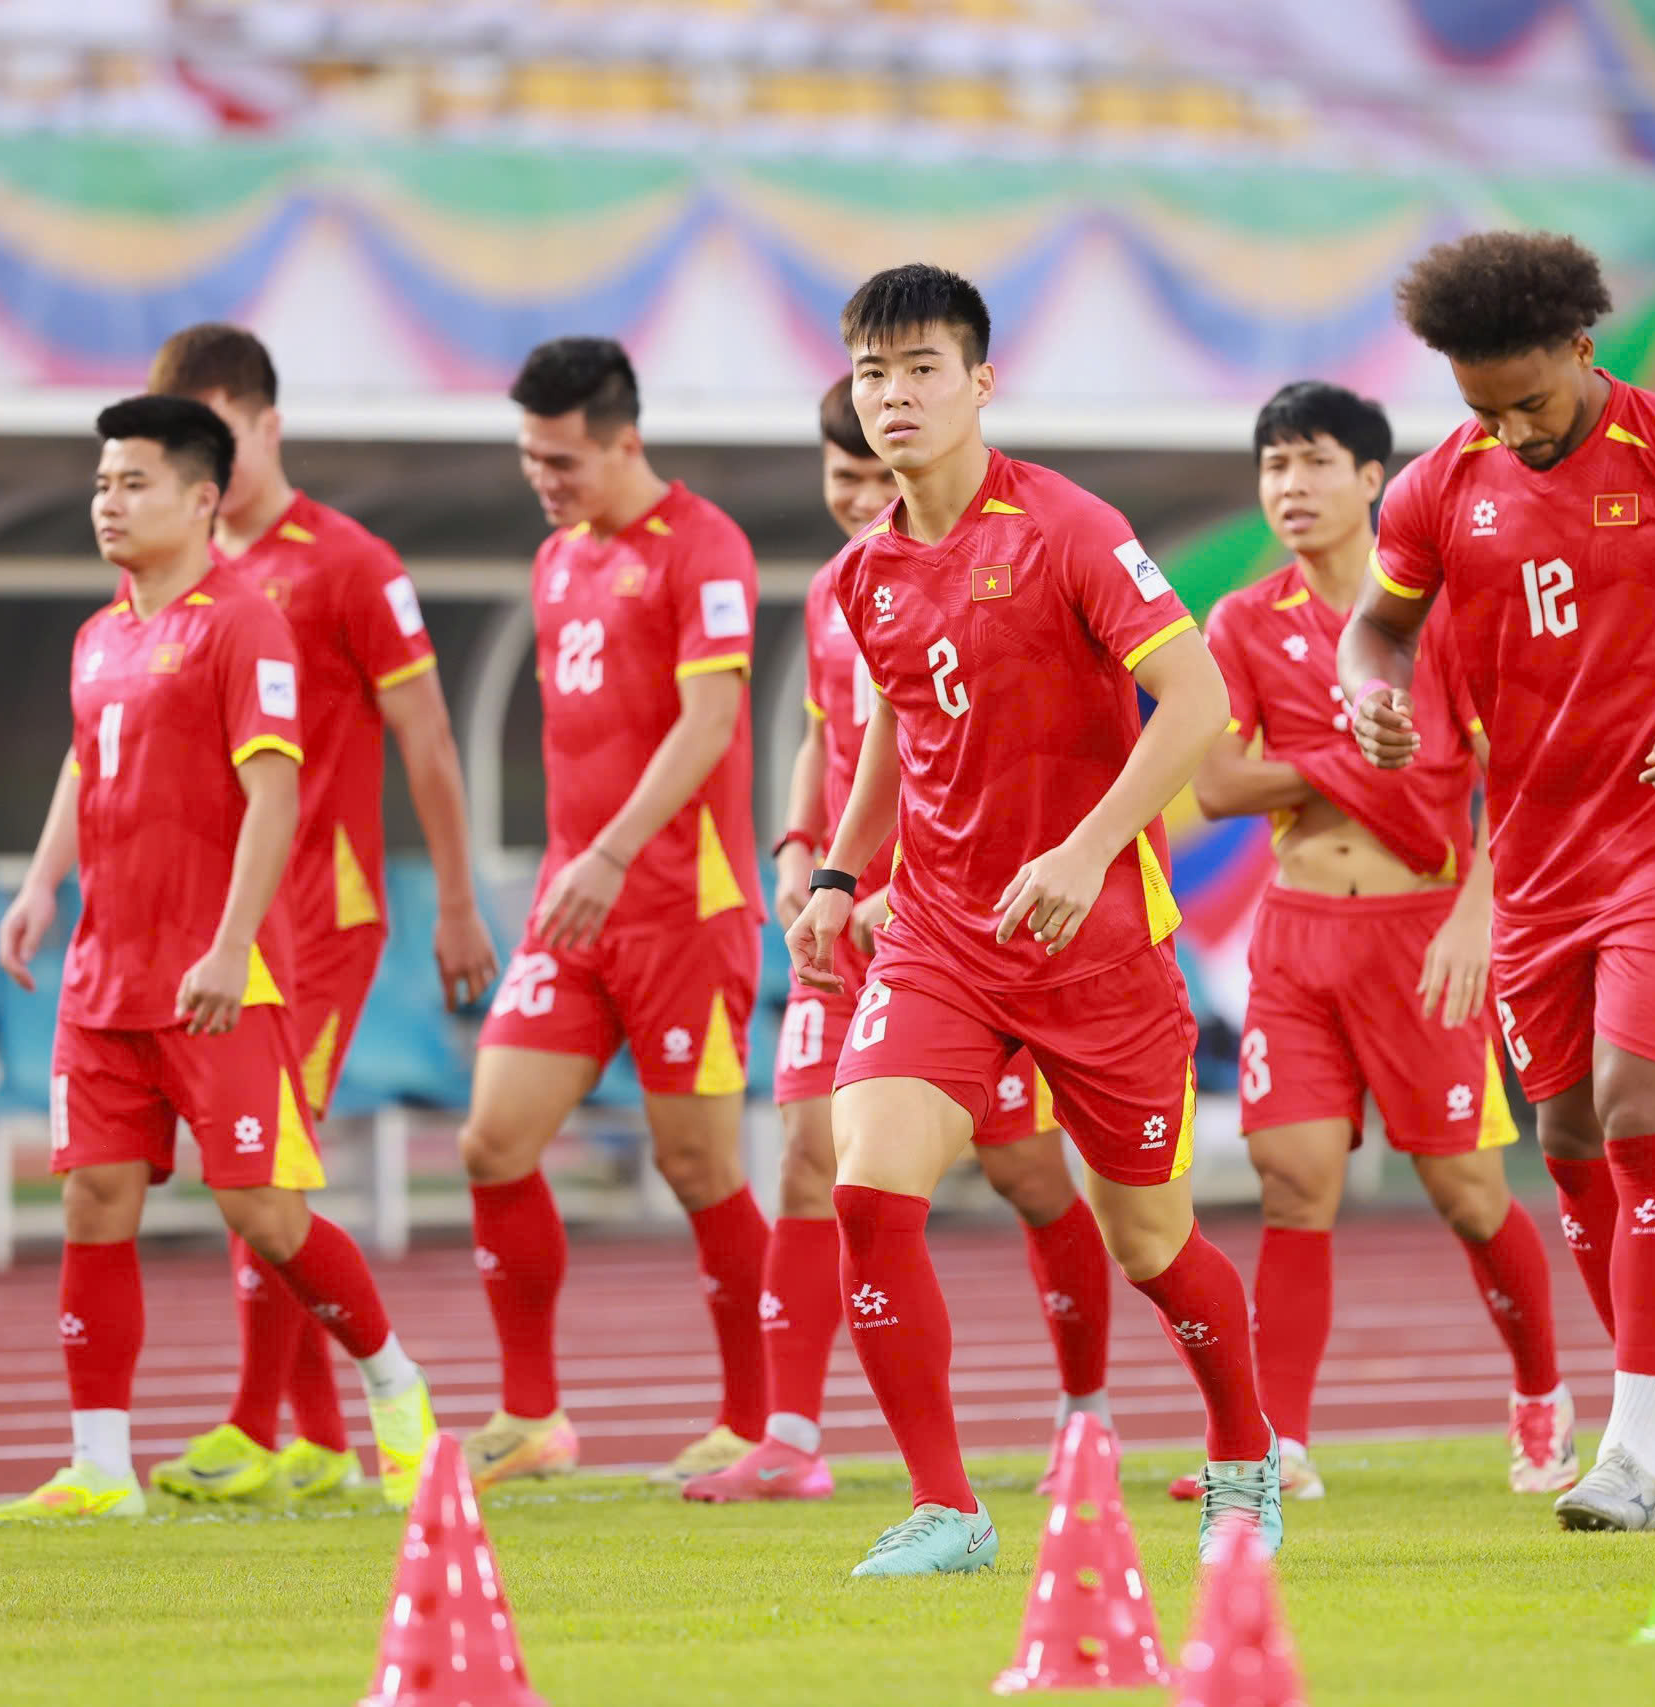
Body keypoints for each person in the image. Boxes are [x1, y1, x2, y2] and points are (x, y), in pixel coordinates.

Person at [1340, 232, 1655, 1530]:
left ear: (1585, 346)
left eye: (1530, 398)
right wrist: (1371, 697)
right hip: (1534, 861)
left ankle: (1630, 1453)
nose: (1510, 428)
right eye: (1480, 406)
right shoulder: (1437, 487)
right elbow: (1376, 625)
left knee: (1637, 1111)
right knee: (1568, 1138)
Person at [787, 263, 1281, 1576]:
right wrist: (841, 873)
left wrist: (1087, 846)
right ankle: (947, 1507)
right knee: (869, 1189)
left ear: (980, 380)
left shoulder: (1068, 525)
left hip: (1101, 949)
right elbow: (898, 715)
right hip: (941, 938)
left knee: (1154, 1245)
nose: (894, 396)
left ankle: (1246, 1452)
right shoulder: (865, 572)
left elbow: (1197, 699)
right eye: (873, 374)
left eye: (921, 369)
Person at [0, 396, 436, 1521]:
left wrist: (234, 948)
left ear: (201, 498)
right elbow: (85, 767)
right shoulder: (100, 635)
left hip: (220, 979)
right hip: (104, 978)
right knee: (94, 1199)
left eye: (133, 482)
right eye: (101, 482)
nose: (109, 501)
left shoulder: (243, 626)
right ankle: (100, 1465)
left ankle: (396, 1386)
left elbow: (275, 793)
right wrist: (42, 885)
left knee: (264, 1216)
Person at [684, 378, 1119, 1505]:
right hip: (843, 921)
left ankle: (1085, 1413)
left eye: (878, 477)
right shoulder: (846, 584)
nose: (865, 496)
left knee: (1028, 1174)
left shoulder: (1008, 555)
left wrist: (903, 887)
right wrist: (800, 852)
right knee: (805, 1156)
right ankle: (789, 1436)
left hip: (966, 923)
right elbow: (830, 735)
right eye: (844, 479)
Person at [1181, 379, 1572, 1501]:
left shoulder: (1438, 618)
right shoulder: (1243, 622)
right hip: (1298, 936)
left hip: (1425, 931)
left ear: (1370, 481)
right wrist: (1332, 763)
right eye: (1271, 468)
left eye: (1311, 463)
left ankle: (1540, 1394)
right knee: (1293, 1184)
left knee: (1466, 1194)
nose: (1289, 487)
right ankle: (1282, 1440)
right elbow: (1214, 783)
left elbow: (1520, 776)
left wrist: (1476, 913)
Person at [140, 325, 498, 1506]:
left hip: (323, 919)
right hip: (216, 925)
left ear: (266, 424)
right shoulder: (170, 573)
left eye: (217, 435)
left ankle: (262, 1424)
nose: (201, 460)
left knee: (264, 1163)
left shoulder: (349, 564)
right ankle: (311, 1437)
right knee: (254, 1170)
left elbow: (429, 738)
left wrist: (453, 900)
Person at [463, 338, 769, 1490]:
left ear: (624, 440)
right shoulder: (554, 563)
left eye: (565, 460)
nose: (546, 479)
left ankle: (757, 1418)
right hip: (572, 905)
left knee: (696, 1165)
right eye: (532, 460)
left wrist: (611, 852)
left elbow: (708, 724)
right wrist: (577, 868)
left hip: (681, 907)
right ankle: (531, 1416)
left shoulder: (706, 546)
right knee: (492, 1141)